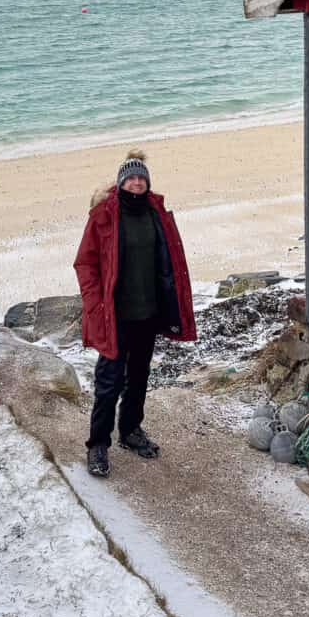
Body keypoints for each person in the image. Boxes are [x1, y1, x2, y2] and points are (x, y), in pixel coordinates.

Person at [74, 149, 197, 477]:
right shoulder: (104, 215)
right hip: (115, 315)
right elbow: (85, 263)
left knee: (139, 377)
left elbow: (170, 257)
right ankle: (98, 444)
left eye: (141, 177)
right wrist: (94, 303)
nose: (137, 182)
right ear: (121, 182)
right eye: (131, 177)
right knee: (109, 381)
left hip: (148, 312)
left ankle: (130, 431)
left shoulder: (156, 212)